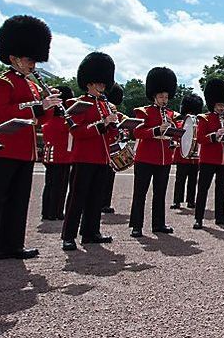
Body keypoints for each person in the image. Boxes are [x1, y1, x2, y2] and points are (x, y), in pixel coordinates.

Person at [0, 15, 60, 271]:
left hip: (24, 150)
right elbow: (0, 113)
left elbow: (39, 119)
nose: (33, 64)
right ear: (13, 57)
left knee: (19, 199)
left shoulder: (31, 86)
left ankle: (10, 245)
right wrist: (38, 106)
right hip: (3, 147)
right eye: (29, 59)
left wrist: (50, 106)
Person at [61, 52, 117, 251]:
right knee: (77, 198)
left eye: (104, 84)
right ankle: (68, 235)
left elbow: (108, 136)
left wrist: (114, 126)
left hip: (102, 158)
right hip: (83, 157)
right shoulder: (76, 104)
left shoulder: (106, 105)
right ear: (88, 83)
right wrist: (102, 124)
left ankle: (91, 232)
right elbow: (76, 131)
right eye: (99, 84)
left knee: (95, 198)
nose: (102, 87)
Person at [128, 67, 178, 238]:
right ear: (154, 96)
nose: (164, 99)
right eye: (161, 96)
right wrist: (157, 130)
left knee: (160, 193)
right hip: (145, 157)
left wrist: (173, 128)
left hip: (164, 159)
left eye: (166, 96)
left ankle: (158, 224)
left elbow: (177, 135)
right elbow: (137, 133)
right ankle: (136, 225)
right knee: (140, 193)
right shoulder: (144, 112)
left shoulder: (171, 114)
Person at [193, 78, 224, 229]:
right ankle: (198, 218)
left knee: (221, 189)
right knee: (203, 189)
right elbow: (200, 138)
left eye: (223, 105)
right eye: (219, 105)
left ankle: (220, 216)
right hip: (208, 159)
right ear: (213, 104)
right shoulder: (204, 119)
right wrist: (215, 135)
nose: (221, 108)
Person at [41, 85, 75, 221]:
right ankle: (56, 211)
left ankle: (47, 211)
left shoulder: (49, 119)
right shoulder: (65, 121)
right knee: (60, 185)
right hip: (62, 156)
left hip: (49, 155)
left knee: (49, 184)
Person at [171, 93, 204, 210]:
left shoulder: (200, 124)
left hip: (195, 157)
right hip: (182, 156)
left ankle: (191, 200)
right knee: (180, 179)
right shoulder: (180, 123)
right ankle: (177, 201)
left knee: (193, 180)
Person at [100, 82, 126, 214]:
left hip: (112, 147)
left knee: (110, 176)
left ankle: (105, 202)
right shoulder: (102, 107)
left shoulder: (115, 111)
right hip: (102, 147)